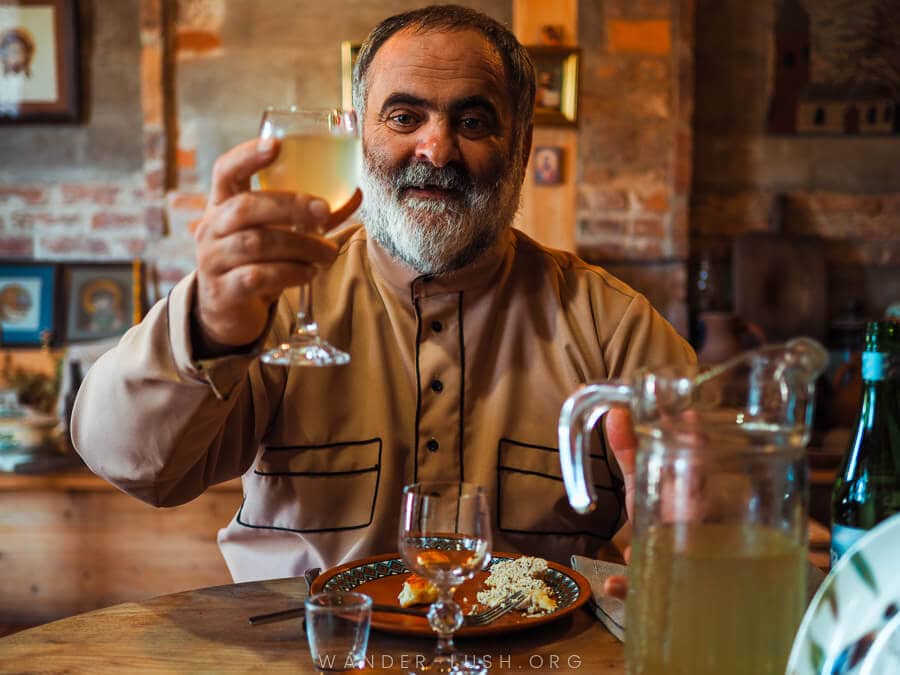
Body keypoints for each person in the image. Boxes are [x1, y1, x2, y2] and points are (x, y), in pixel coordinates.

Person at [72, 5, 694, 584]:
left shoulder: (614, 326)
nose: (437, 148)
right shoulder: (277, 302)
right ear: (359, 137)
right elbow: (135, 465)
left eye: (473, 121)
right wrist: (207, 325)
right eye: (404, 117)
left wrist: (687, 542)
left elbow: (705, 509)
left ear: (522, 146)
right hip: (305, 656)